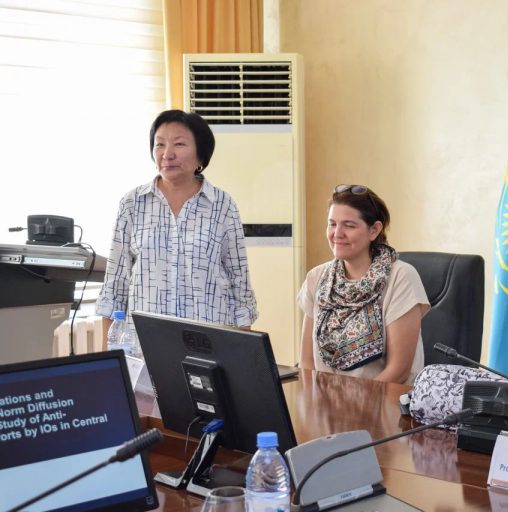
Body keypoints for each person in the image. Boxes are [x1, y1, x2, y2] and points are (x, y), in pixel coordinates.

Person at [96, 109, 257, 336]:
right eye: (160, 144)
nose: (167, 154)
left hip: (209, 342)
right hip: (145, 343)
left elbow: (240, 286)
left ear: (201, 155)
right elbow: (114, 285)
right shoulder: (132, 203)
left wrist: (243, 349)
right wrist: (109, 353)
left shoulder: (222, 205)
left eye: (179, 144)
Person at [297, 184, 430, 384]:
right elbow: (306, 363)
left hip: (383, 398)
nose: (337, 233)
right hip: (324, 400)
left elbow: (398, 371)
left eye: (349, 225)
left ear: (374, 230)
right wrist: (313, 400)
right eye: (332, 224)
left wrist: (351, 402)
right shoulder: (316, 277)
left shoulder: (401, 277)